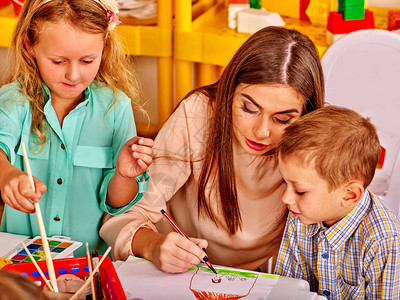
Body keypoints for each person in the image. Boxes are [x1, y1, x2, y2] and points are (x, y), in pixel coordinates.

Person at [100, 26, 325, 273]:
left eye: (283, 120)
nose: (261, 132)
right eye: (249, 109)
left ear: (307, 115)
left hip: (249, 280)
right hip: (173, 271)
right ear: (229, 91)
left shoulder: (317, 138)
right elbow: (122, 217)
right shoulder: (199, 114)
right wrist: (155, 246)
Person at [0, 0, 153, 255]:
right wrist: (7, 176)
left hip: (88, 264)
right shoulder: (13, 100)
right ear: (30, 44)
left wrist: (124, 176)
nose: (73, 75)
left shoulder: (115, 107)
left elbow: (115, 204)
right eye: (58, 61)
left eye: (86, 60)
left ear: (104, 47)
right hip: (19, 263)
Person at [274, 105, 400, 299]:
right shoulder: (301, 215)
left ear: (349, 195)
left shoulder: (384, 241)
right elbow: (287, 292)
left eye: (300, 190)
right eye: (285, 183)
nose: (286, 198)